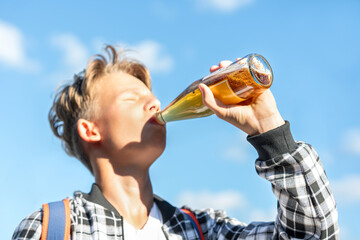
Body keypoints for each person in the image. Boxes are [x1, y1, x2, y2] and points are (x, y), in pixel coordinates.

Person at [12, 45, 339, 239]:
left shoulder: (203, 230)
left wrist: (269, 129)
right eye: (132, 98)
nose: (154, 104)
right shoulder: (51, 228)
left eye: (152, 96)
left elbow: (313, 234)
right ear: (91, 130)